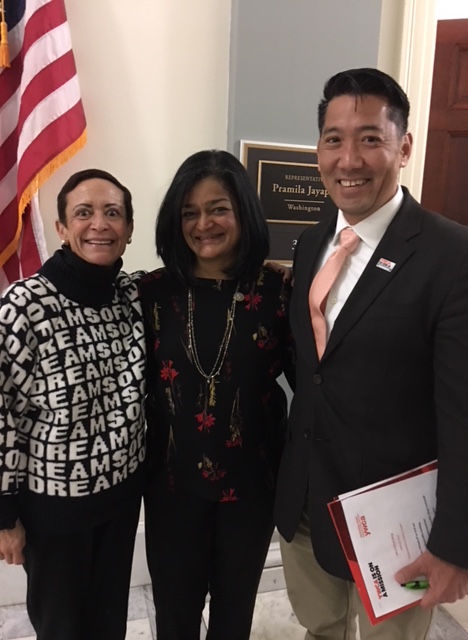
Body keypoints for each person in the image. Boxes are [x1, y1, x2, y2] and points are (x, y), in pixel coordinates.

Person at [274, 67, 468, 640]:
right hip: (308, 502)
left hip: (399, 523)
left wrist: (458, 545)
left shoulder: (458, 257)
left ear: (404, 146)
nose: (349, 160)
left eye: (370, 138)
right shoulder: (314, 241)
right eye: (334, 139)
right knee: (319, 628)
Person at [140, 149, 295, 640]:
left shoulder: (281, 290)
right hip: (171, 486)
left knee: (233, 618)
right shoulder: (149, 293)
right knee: (175, 616)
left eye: (218, 208)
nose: (203, 223)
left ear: (243, 212)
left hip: (251, 487)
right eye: (189, 212)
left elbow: (318, 382)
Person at [0, 169, 146, 640]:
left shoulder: (132, 297)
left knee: (108, 625)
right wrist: (4, 518)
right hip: (54, 513)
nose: (99, 224)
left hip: (121, 503)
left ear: (128, 228)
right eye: (83, 213)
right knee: (62, 629)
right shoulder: (24, 306)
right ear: (62, 228)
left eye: (112, 213)